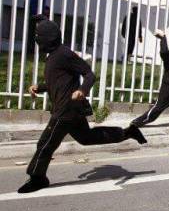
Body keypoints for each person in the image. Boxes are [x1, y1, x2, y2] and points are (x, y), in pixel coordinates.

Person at [18, 17, 147, 194]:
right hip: (69, 109)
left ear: (47, 38)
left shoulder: (64, 54)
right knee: (86, 138)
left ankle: (37, 178)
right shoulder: (53, 57)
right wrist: (38, 88)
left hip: (67, 109)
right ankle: (127, 132)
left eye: (38, 35)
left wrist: (82, 90)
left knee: (45, 144)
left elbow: (89, 74)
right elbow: (57, 83)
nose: (36, 39)